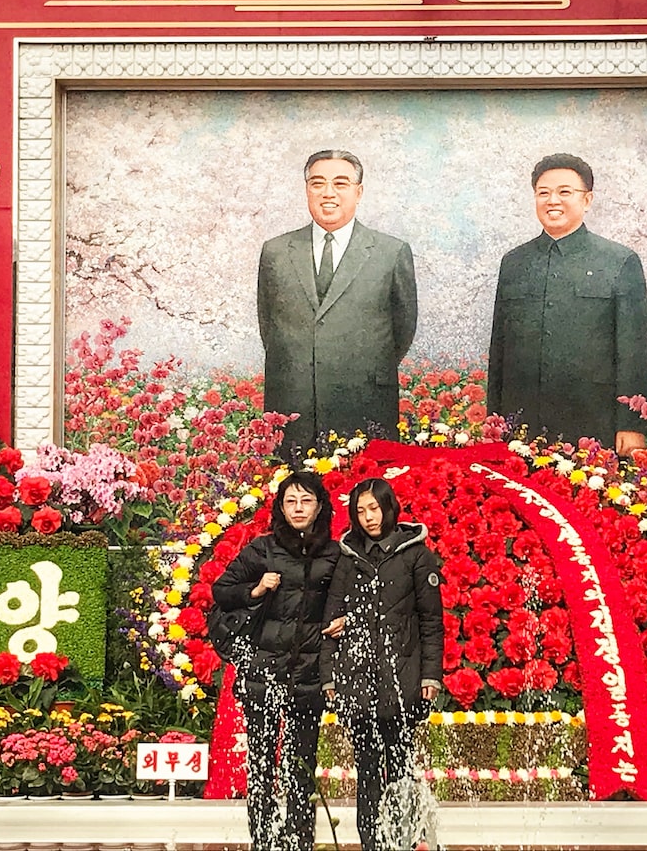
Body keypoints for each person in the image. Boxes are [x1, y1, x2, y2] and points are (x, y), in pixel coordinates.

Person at [487, 152, 647, 454]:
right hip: (521, 422)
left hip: (593, 422)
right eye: (543, 193)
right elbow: (499, 348)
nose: (553, 201)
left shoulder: (619, 261)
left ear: (587, 200)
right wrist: (494, 421)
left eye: (565, 192)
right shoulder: (514, 263)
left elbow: (634, 351)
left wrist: (632, 424)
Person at [211, 471, 342, 851]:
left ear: (320, 507)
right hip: (263, 673)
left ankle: (300, 841)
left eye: (306, 501)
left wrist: (345, 619)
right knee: (262, 766)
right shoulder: (263, 549)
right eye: (290, 501)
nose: (298, 508)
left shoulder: (335, 554)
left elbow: (354, 598)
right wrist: (255, 589)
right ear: (281, 508)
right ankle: (264, 841)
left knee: (302, 766)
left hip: (308, 674)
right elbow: (222, 590)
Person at [257, 150, 419, 452]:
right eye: (317, 183)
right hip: (293, 407)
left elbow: (402, 330)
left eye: (341, 183)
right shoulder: (276, 252)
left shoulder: (391, 252)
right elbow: (269, 327)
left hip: (364, 404)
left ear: (359, 192)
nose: (328, 193)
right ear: (307, 190)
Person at [320, 477, 444, 851]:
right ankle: (372, 844)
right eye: (360, 511)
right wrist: (329, 678)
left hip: (402, 681)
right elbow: (331, 621)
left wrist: (430, 675)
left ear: (389, 508)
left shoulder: (416, 556)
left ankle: (405, 841)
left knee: (401, 767)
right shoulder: (349, 558)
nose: (369, 517)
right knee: (368, 772)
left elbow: (431, 621)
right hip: (358, 683)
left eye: (374, 508)